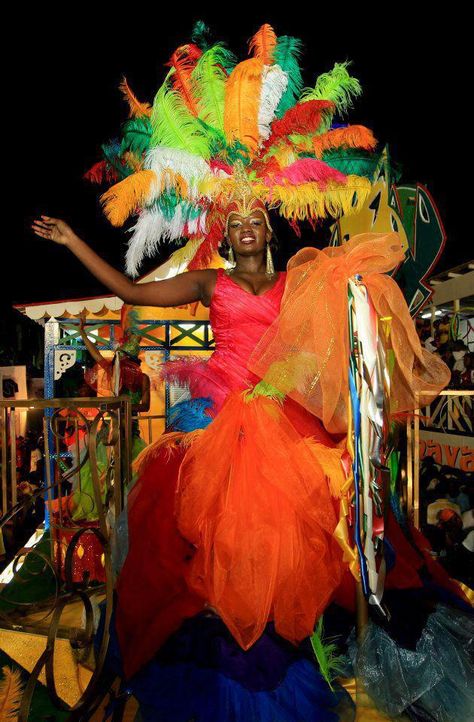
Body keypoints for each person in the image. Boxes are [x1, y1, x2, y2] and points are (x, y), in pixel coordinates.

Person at [31, 24, 473, 721]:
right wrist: (75, 242)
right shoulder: (209, 283)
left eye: (253, 218)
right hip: (218, 421)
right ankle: (232, 665)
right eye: (231, 219)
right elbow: (136, 291)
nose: (243, 226)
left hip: (286, 419)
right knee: (206, 546)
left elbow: (321, 340)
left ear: (268, 225)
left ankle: (308, 647)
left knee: (318, 540)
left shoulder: (299, 282)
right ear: (223, 229)